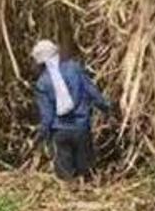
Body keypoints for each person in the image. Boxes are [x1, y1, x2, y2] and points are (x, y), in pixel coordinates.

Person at [31, 40, 113, 180]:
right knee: (86, 174)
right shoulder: (75, 69)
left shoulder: (42, 83)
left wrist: (40, 137)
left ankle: (71, 196)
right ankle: (88, 196)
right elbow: (93, 93)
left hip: (59, 133)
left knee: (66, 178)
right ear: (57, 53)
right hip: (81, 128)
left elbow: (47, 118)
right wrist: (108, 108)